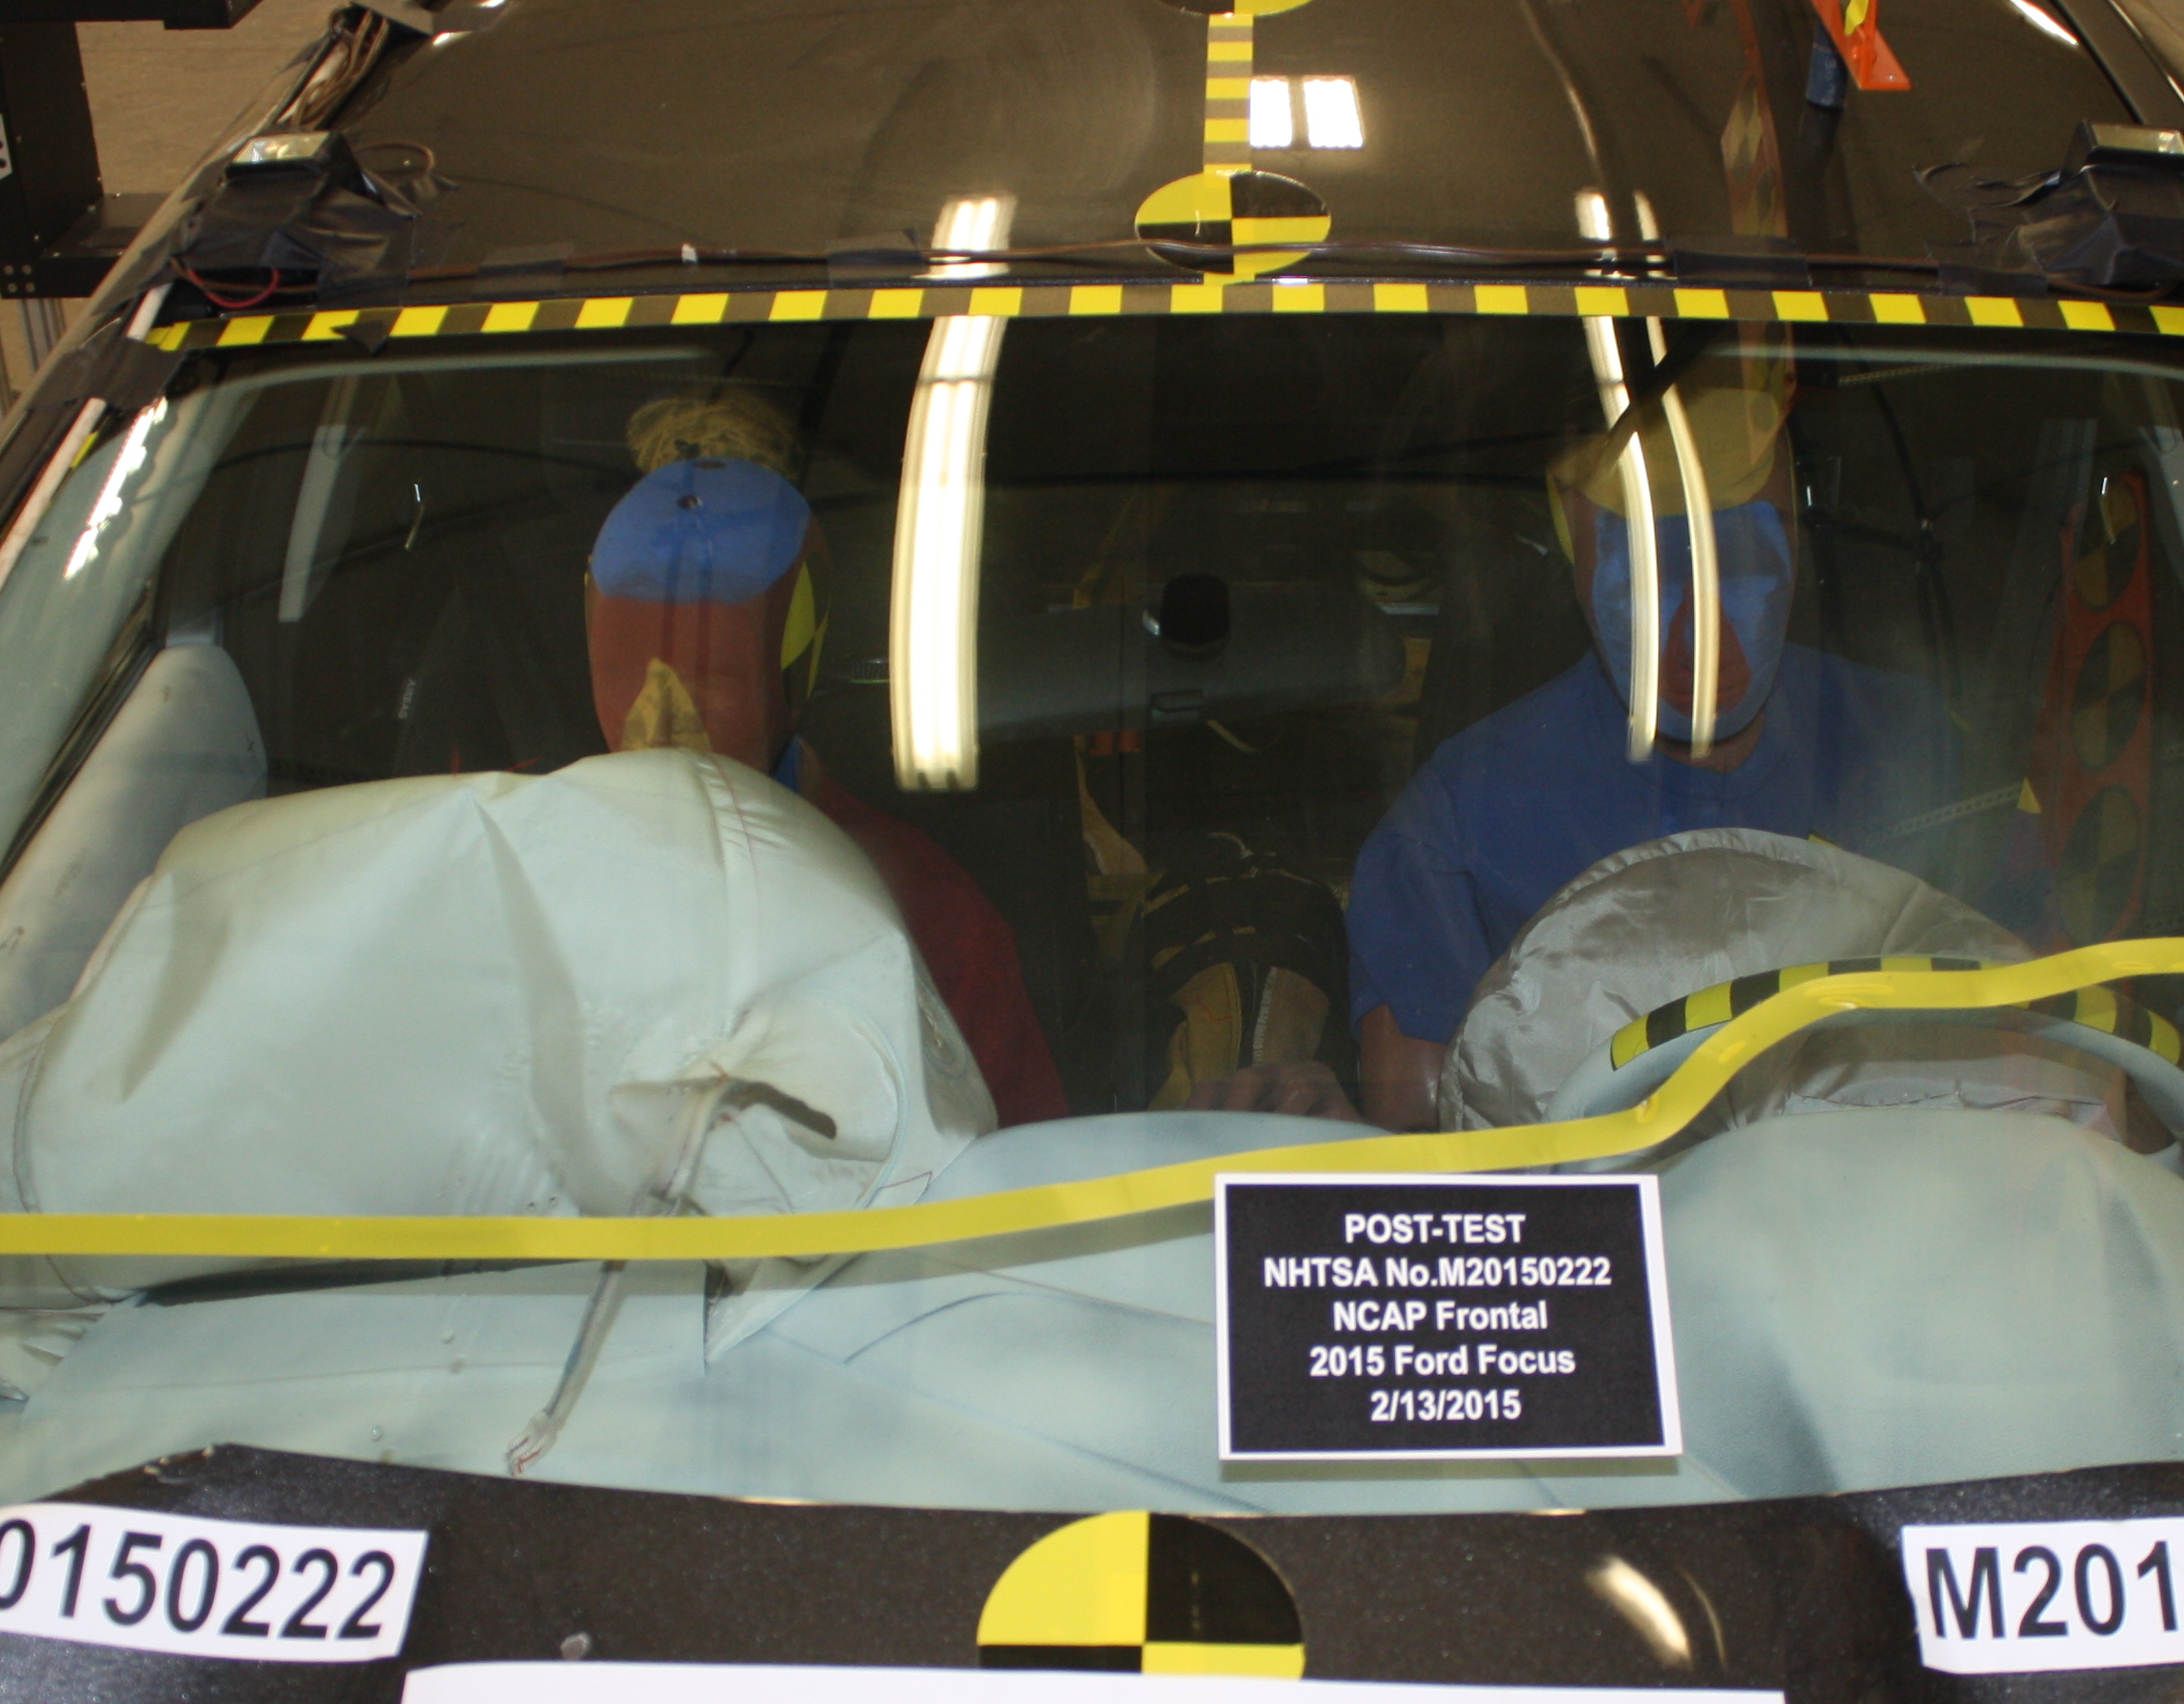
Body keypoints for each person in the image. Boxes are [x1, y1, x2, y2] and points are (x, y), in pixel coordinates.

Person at [1207, 350, 1957, 1131]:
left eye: (1739, 561)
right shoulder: (1455, 827)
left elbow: (2026, 1013)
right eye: (1645, 573)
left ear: (1795, 536)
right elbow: (1429, 1151)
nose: (1698, 629)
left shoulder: (1915, 741)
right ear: (1575, 555)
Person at [590, 389, 1068, 1126]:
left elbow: (1021, 1169)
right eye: (630, 670)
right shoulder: (496, 857)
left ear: (793, 660)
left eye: (710, 681)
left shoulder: (920, 920)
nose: (660, 724)